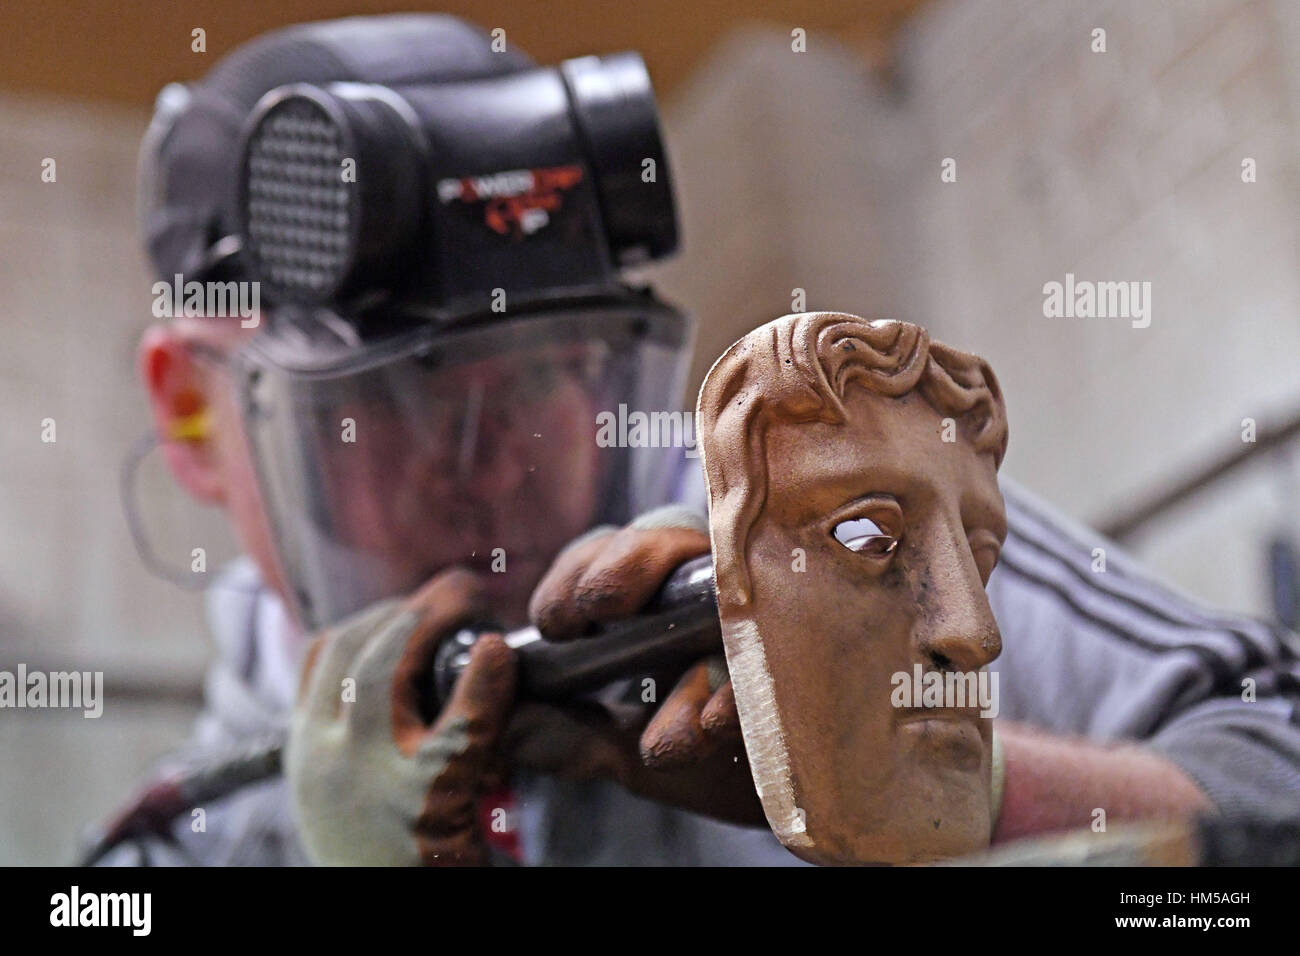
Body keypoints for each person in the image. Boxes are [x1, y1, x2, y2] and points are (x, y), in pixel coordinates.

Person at [97, 14, 1300, 866]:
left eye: (549, 373)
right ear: (195, 413)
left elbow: (1277, 767)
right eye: (397, 400)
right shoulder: (182, 833)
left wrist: (929, 779)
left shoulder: (809, 524)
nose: (489, 466)